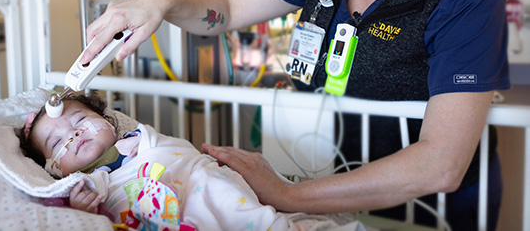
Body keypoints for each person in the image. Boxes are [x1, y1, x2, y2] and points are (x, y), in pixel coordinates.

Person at [80, 0, 509, 230]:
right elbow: (227, 10)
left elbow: (441, 163)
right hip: (320, 180)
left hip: (421, 209)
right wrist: (161, 3)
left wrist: (286, 195)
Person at [18, 95, 360, 231]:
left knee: (224, 196)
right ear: (54, 168)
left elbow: (177, 155)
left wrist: (141, 144)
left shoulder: (142, 140)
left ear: (108, 122)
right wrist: (82, 210)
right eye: (56, 142)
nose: (73, 135)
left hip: (198, 184)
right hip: (166, 219)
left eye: (79, 120)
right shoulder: (82, 187)